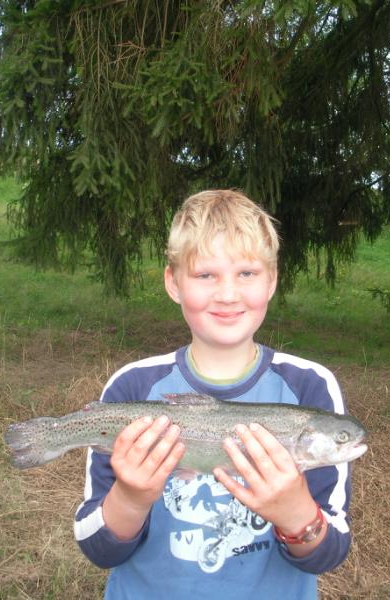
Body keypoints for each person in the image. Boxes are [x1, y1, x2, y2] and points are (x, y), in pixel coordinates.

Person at [74, 190, 355, 599]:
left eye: (247, 273)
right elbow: (97, 549)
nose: (227, 293)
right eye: (206, 275)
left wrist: (295, 513)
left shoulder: (311, 387)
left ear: (272, 280)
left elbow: (329, 553)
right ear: (173, 283)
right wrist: (131, 499)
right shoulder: (131, 387)